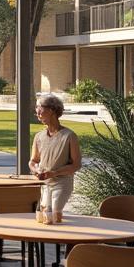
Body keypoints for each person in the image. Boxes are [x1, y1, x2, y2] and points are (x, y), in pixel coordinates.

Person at [29, 94, 82, 224]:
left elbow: (76, 165)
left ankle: (64, 240)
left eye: (40, 108)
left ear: (52, 110)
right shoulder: (39, 137)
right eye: (37, 108)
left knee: (53, 214)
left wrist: (55, 173)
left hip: (62, 182)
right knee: (42, 218)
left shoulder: (69, 136)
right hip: (44, 183)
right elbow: (33, 161)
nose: (37, 111)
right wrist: (35, 169)